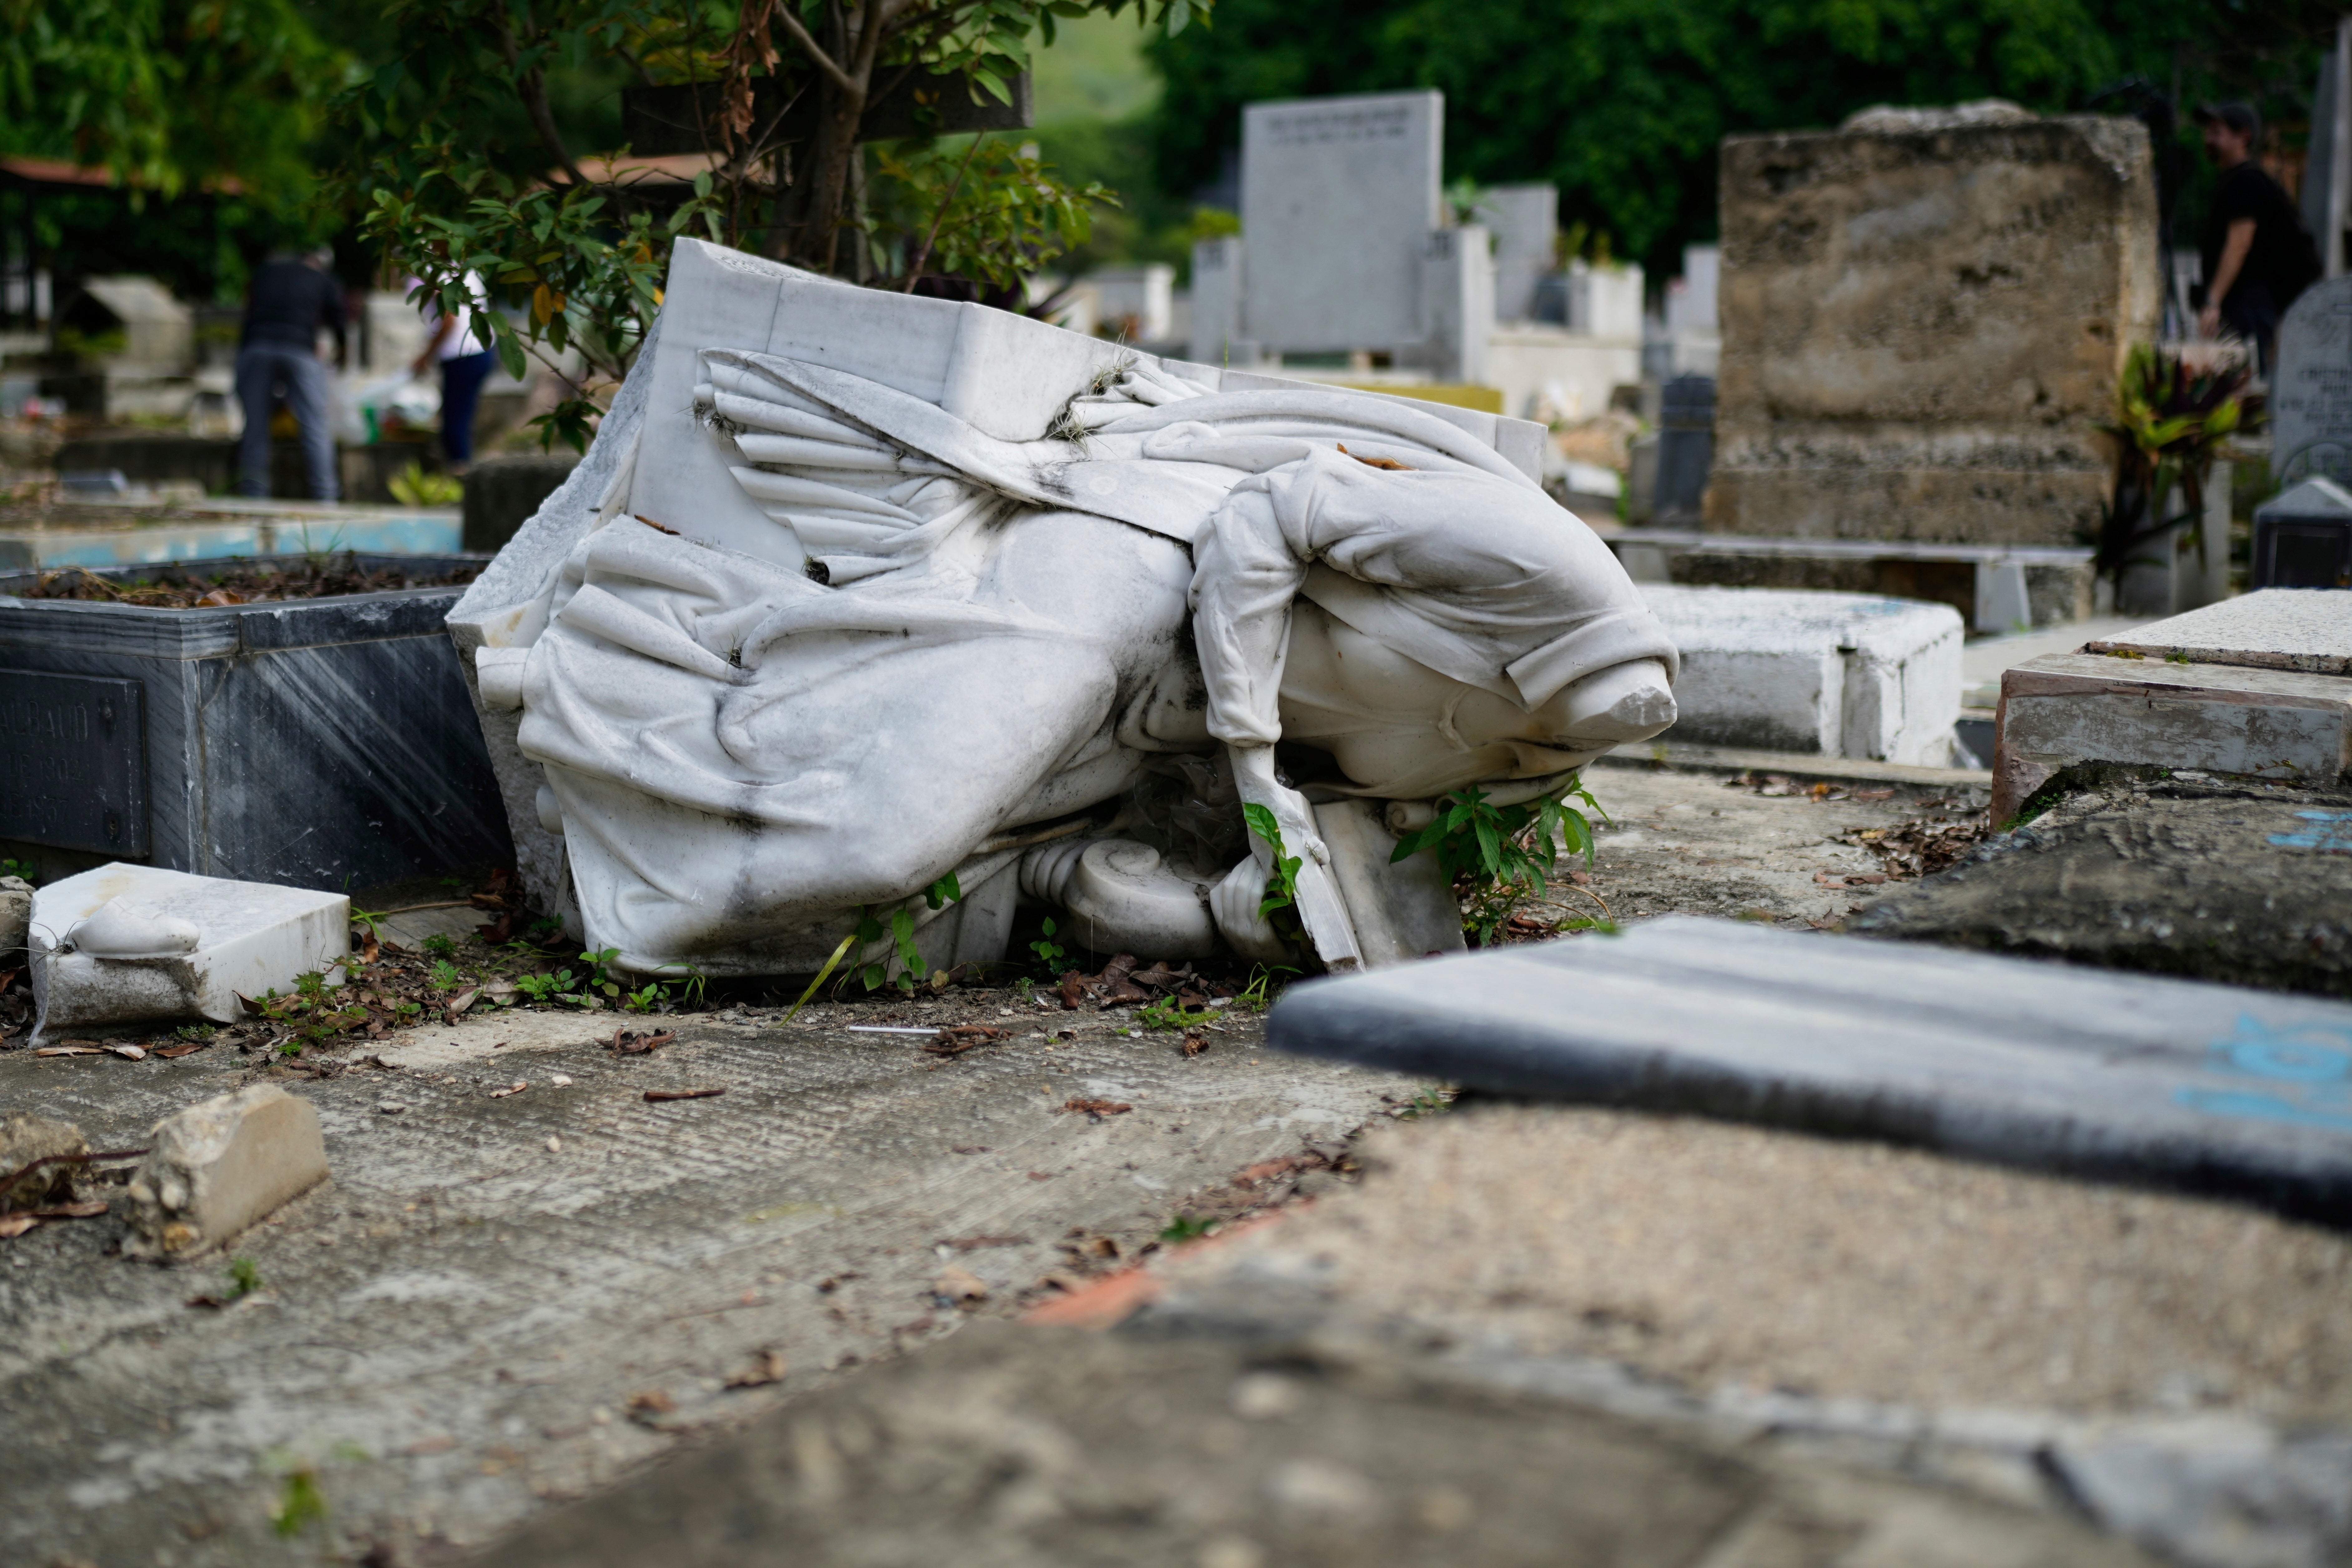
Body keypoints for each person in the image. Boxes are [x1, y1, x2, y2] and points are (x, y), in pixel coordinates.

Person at [2195, 102, 2322, 374]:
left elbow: (2239, 244)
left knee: (2249, 374)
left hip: (2250, 299)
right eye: (2208, 133)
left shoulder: (2247, 182)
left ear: (2243, 137)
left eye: (2218, 132)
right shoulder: (2235, 180)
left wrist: (2213, 301)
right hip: (2248, 298)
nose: (2209, 139)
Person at [234, 246, 345, 500]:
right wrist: (343, 350)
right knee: (315, 425)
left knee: (255, 426)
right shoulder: (322, 278)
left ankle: (254, 496)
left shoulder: (265, 273)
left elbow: (248, 311)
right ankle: (326, 498)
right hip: (299, 349)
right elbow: (338, 317)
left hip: (256, 346)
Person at [410, 272, 497, 476]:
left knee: (455, 419)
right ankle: (462, 470)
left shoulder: (440, 273)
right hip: (480, 350)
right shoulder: (467, 270)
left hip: (463, 354)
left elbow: (449, 320)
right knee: (461, 416)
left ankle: (461, 473)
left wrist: (426, 356)